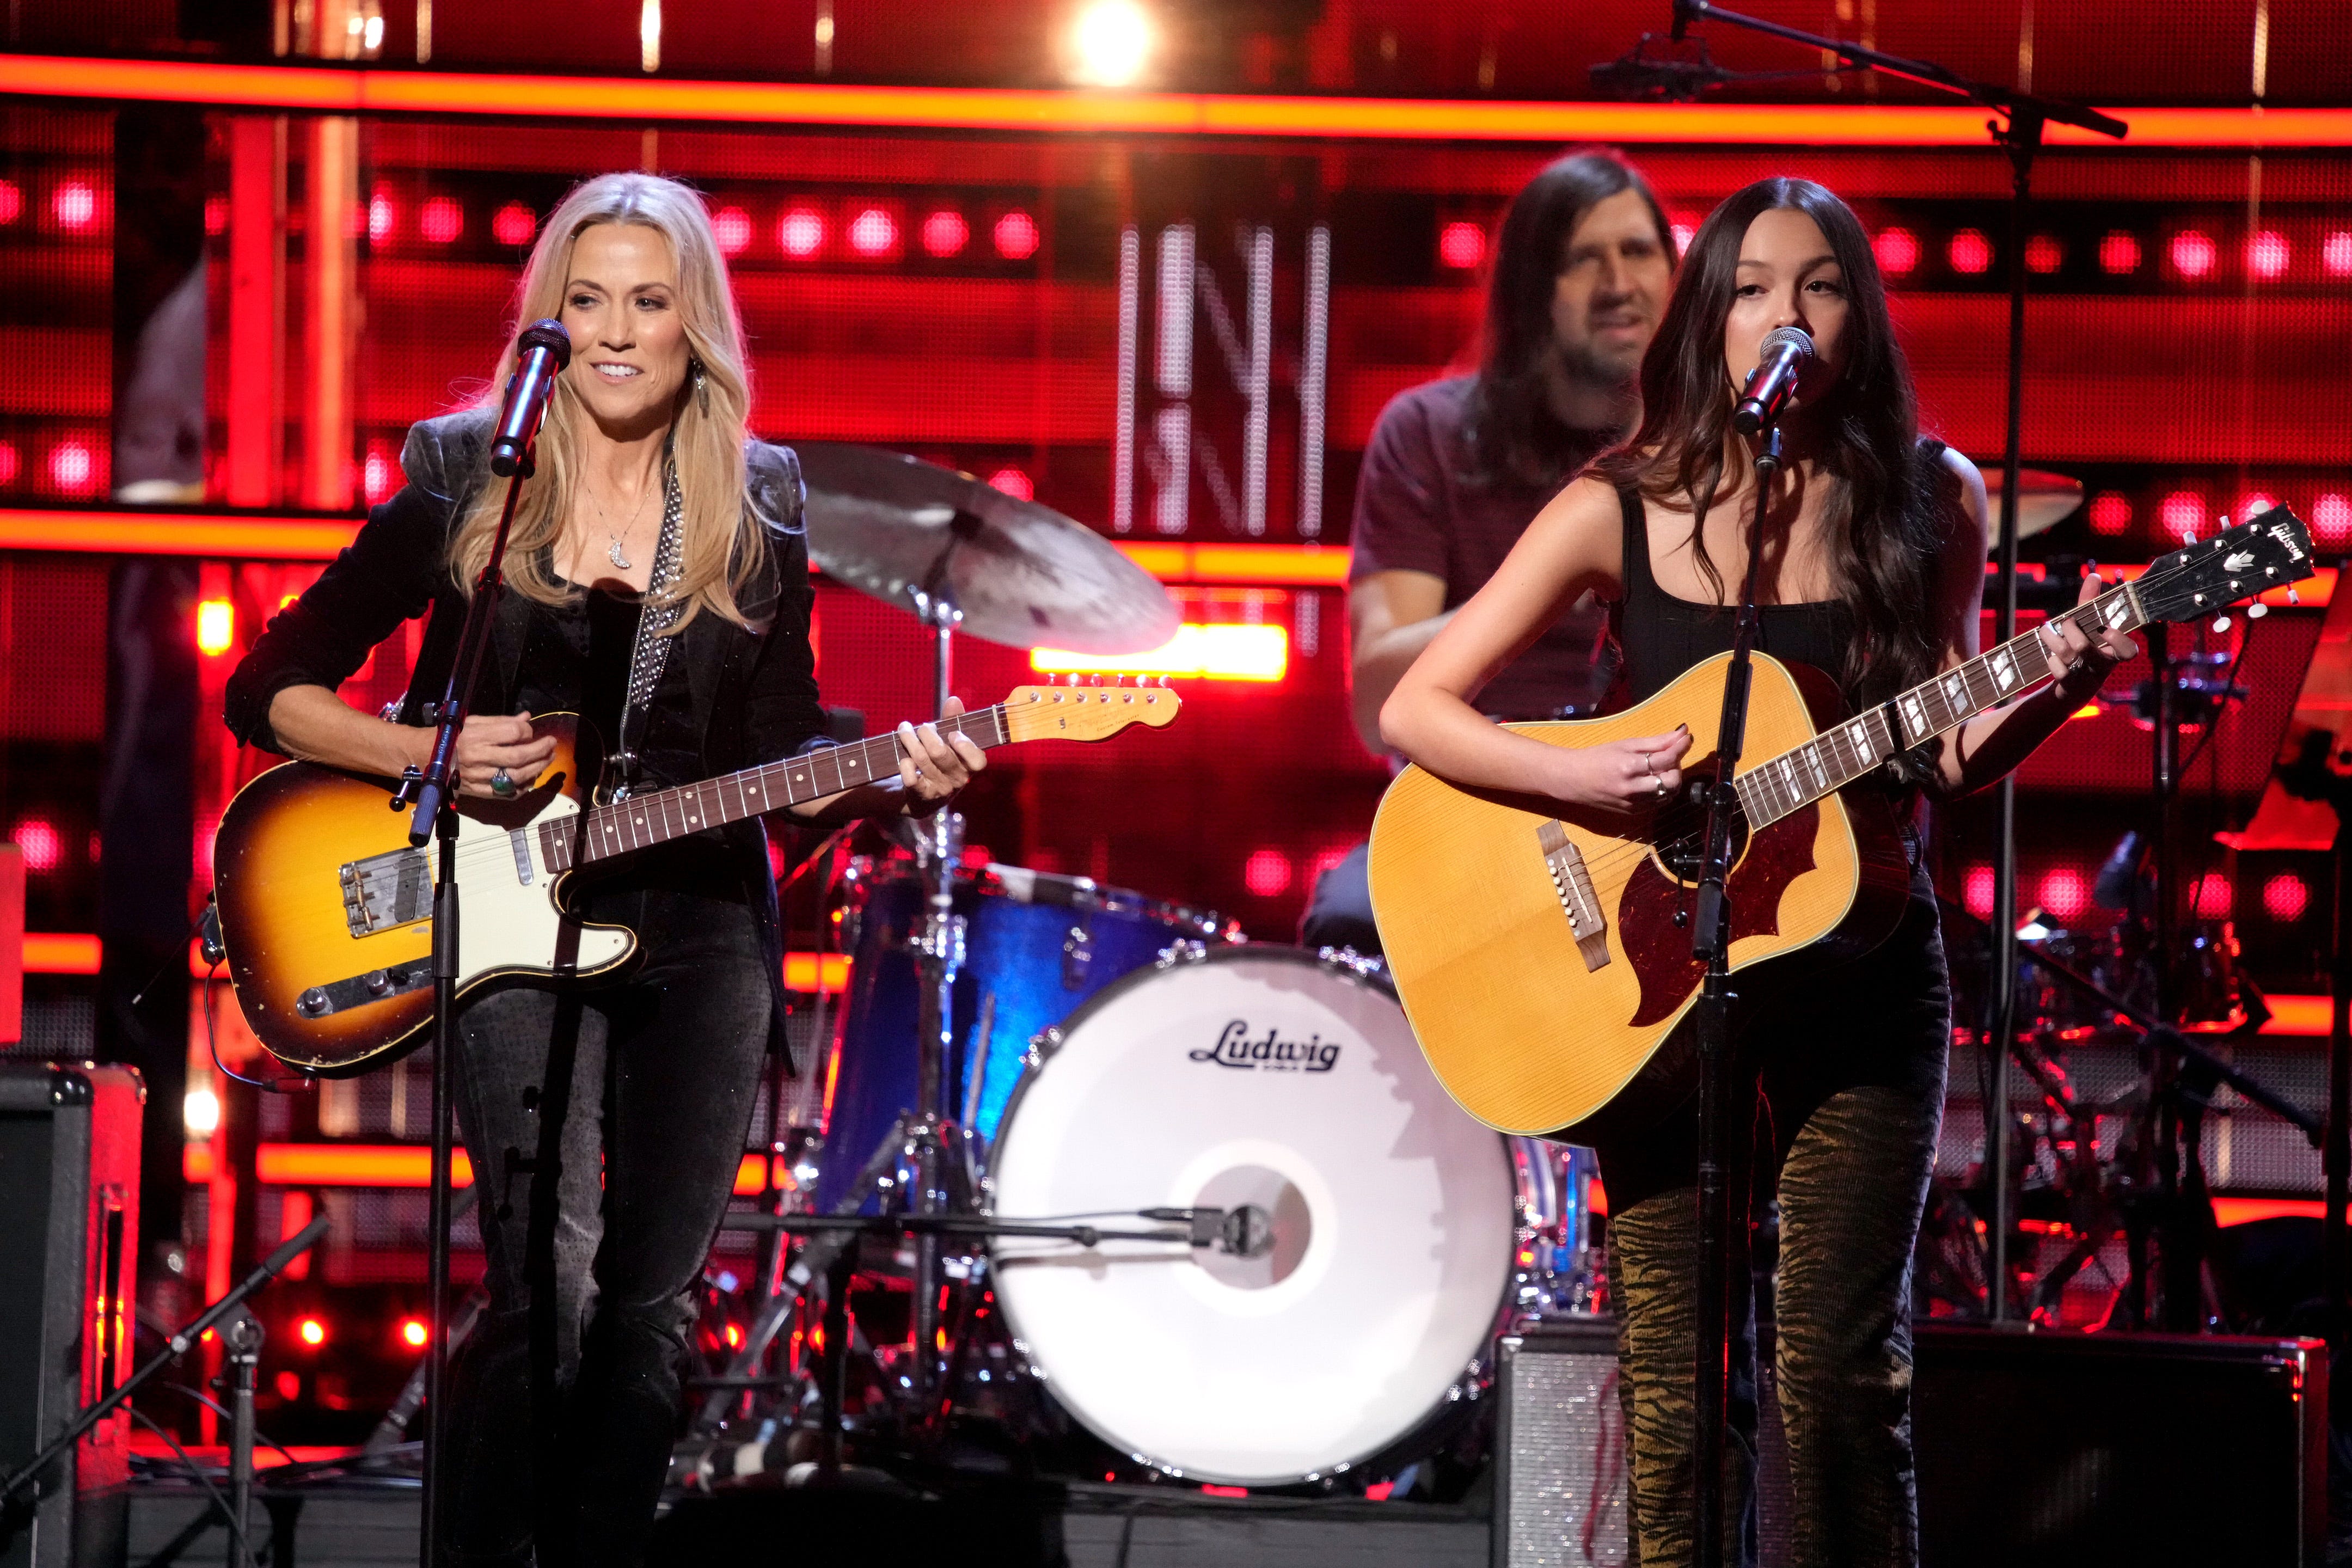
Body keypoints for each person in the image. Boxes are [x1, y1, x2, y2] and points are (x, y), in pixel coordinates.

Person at [223, 172, 986, 1568]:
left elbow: (777, 747)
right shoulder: (472, 473)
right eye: (588, 301)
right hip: (506, 915)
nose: (619, 332)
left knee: (647, 1313)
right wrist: (428, 752)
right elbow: (268, 685)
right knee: (549, 1286)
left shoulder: (756, 497)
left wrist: (888, 768)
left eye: (649, 302)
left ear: (697, 325)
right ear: (548, 320)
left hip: (701, 924)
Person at [1379, 177, 2136, 1567]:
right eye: (1753, 289)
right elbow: (1416, 708)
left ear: (1860, 318)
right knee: (1676, 1405)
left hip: (1863, 977)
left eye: (1821, 287)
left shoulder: (1932, 496)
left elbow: (1948, 750)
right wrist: (1580, 780)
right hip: (1657, 1005)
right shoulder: (1620, 503)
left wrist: (2067, 676)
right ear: (1708, 321)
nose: (1788, 315)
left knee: (1842, 1388)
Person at [1301, 148, 1675, 953]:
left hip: (1659, 812)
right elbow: (1377, 705)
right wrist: (1549, 584)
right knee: (1349, 921)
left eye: (1639, 251)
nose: (1619, 283)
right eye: (1584, 259)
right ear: (1530, 289)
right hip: (1473, 805)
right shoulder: (1427, 432)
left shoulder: (1712, 450)